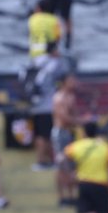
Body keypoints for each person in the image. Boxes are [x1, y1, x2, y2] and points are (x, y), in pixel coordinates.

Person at [25, 43, 70, 173]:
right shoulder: (54, 63)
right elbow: (64, 76)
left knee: (39, 134)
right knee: (48, 135)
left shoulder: (36, 61)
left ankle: (41, 160)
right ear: (54, 50)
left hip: (35, 105)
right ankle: (46, 160)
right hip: (48, 105)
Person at [51, 72, 80, 201]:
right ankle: (62, 196)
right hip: (61, 133)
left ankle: (71, 194)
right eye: (71, 80)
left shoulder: (71, 97)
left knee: (71, 165)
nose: (74, 83)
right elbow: (64, 117)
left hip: (70, 132)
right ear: (64, 82)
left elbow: (73, 115)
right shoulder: (59, 97)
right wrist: (81, 121)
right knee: (61, 164)